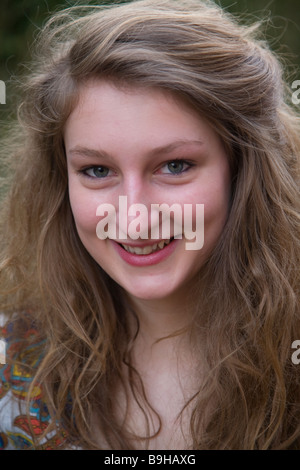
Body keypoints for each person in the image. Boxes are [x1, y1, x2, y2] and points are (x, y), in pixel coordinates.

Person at [0, 0, 299, 450]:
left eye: (174, 165)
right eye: (97, 171)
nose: (134, 215)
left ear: (243, 170)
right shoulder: (11, 365)